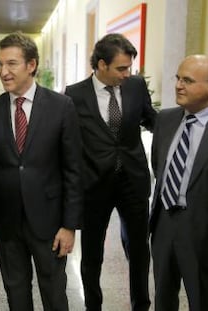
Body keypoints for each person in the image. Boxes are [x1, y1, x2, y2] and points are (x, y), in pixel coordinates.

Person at [0, 32, 83, 311]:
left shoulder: (61, 107)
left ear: (31, 65)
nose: (4, 71)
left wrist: (69, 225)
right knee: (16, 293)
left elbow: (73, 170)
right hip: (6, 224)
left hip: (49, 222)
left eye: (11, 63)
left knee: (55, 293)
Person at [64, 33, 156, 311]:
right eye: (121, 68)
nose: (127, 74)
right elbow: (67, 140)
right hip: (94, 184)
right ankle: (93, 304)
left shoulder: (136, 86)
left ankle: (141, 304)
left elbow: (151, 119)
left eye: (129, 67)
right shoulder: (74, 94)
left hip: (133, 180)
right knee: (92, 254)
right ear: (101, 65)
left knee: (139, 249)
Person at [150, 54, 208, 311]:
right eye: (178, 78)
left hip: (201, 229)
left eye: (188, 80)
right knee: (163, 297)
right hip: (164, 223)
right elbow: (158, 166)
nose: (178, 85)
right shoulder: (166, 119)